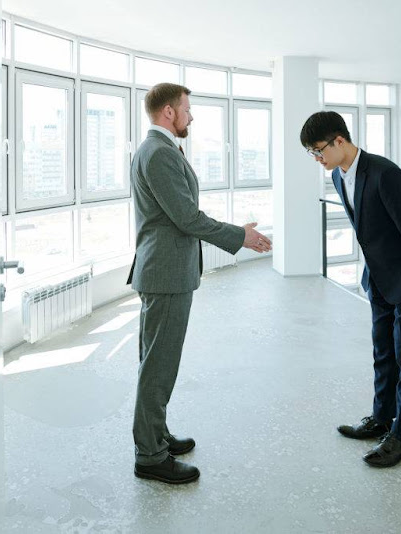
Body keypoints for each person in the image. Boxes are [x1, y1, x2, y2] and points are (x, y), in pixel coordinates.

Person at [128, 83, 272, 484]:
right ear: (169, 112)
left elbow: (182, 213)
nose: (191, 116)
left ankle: (156, 435)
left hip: (164, 270)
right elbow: (187, 218)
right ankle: (150, 456)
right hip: (166, 273)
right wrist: (239, 236)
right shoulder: (157, 153)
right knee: (158, 365)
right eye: (187, 109)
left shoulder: (158, 150)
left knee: (155, 361)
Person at [300, 111, 401, 468]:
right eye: (312, 154)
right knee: (383, 352)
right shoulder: (337, 174)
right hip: (378, 279)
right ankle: (382, 418)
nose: (318, 159)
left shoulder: (385, 174)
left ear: (340, 141)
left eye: (319, 151)